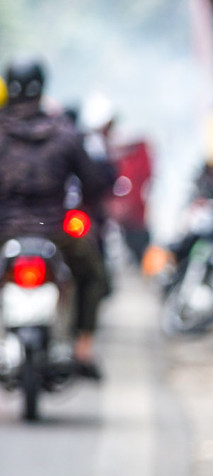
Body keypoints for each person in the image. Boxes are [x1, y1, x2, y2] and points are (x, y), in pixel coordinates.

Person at [0, 57, 112, 378]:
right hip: (54, 232)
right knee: (93, 275)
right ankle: (83, 347)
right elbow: (93, 182)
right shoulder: (64, 133)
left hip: (4, 230)